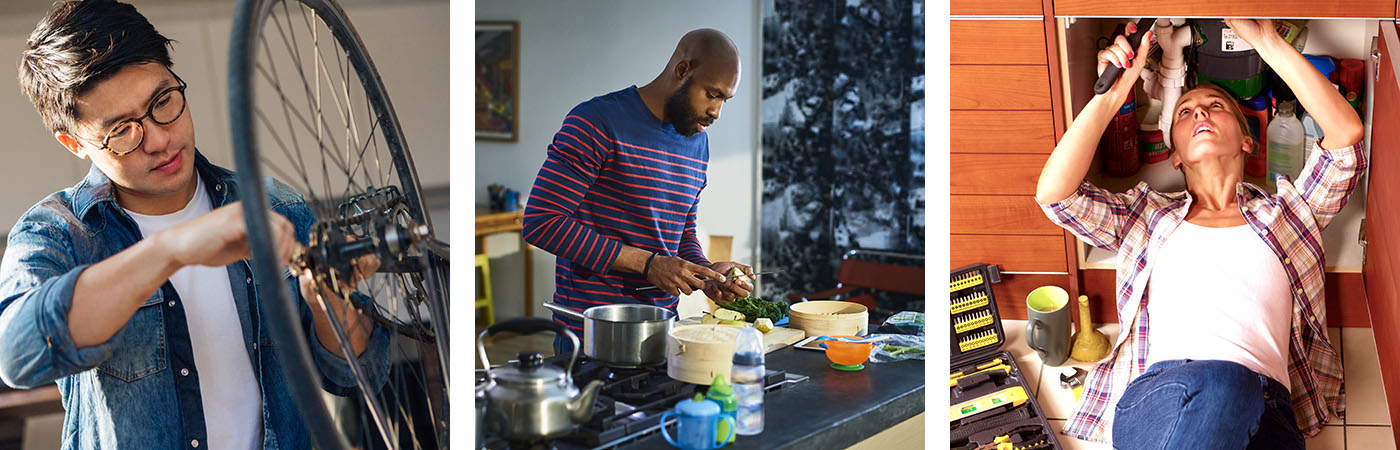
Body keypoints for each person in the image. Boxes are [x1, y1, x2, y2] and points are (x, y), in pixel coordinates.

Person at [1, 1, 391, 448]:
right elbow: (17, 354)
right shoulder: (55, 233)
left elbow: (357, 375)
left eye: (163, 102)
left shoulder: (273, 206)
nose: (161, 139)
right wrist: (172, 249)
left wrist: (329, 303)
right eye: (123, 130)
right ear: (74, 143)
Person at [1036, 19, 1364, 449]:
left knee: (1234, 389)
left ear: (1248, 142)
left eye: (1216, 106)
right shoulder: (1147, 217)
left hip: (1270, 410)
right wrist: (1113, 94)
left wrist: (1266, 41)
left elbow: (1345, 141)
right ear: (1174, 155)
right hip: (1160, 397)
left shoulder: (1288, 215)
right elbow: (1056, 196)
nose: (1201, 113)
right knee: (1224, 382)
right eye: (1186, 113)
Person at [522, 29, 756, 349]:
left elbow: (680, 232)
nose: (716, 112)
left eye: (724, 100)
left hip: (661, 334)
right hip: (590, 334)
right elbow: (541, 222)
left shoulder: (698, 142)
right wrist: (647, 264)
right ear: (682, 70)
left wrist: (705, 273)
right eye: (712, 94)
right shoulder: (596, 121)